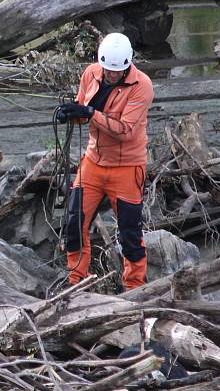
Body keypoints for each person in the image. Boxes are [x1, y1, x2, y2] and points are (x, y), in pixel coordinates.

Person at [56, 32, 154, 291]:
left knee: (130, 233)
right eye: (107, 70)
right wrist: (72, 113)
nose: (110, 75)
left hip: (127, 167)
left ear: (127, 66)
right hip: (93, 162)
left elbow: (125, 130)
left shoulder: (142, 86)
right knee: (74, 223)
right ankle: (77, 284)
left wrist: (89, 113)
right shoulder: (90, 73)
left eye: (116, 71)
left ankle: (136, 290)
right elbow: (83, 112)